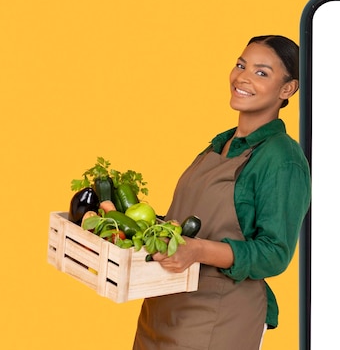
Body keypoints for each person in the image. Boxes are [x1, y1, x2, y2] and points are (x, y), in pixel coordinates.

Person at [133, 35, 311, 350]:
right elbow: (185, 223)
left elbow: (275, 253)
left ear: (288, 89)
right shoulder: (219, 145)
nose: (242, 77)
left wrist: (198, 251)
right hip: (163, 310)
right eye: (241, 65)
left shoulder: (281, 158)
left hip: (219, 317)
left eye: (261, 72)